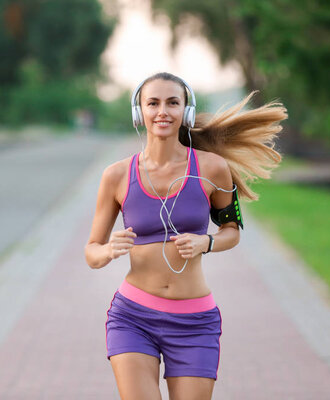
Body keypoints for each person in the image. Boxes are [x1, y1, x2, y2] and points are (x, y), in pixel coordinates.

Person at [85, 72, 287, 399]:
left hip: (195, 324)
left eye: (172, 102)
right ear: (140, 112)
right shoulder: (117, 175)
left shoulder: (213, 168)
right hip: (133, 318)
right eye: (153, 103)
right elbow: (91, 251)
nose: (162, 111)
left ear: (185, 112)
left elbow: (232, 231)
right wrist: (108, 250)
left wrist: (205, 242)